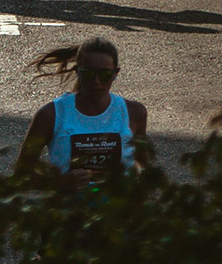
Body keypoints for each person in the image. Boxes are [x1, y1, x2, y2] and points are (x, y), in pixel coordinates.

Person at [16, 35, 148, 190]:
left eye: (105, 75)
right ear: (77, 71)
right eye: (88, 74)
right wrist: (59, 183)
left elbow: (143, 164)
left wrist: (139, 182)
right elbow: (21, 174)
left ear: (116, 73)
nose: (97, 82)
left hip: (118, 211)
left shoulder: (134, 112)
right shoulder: (51, 115)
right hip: (68, 212)